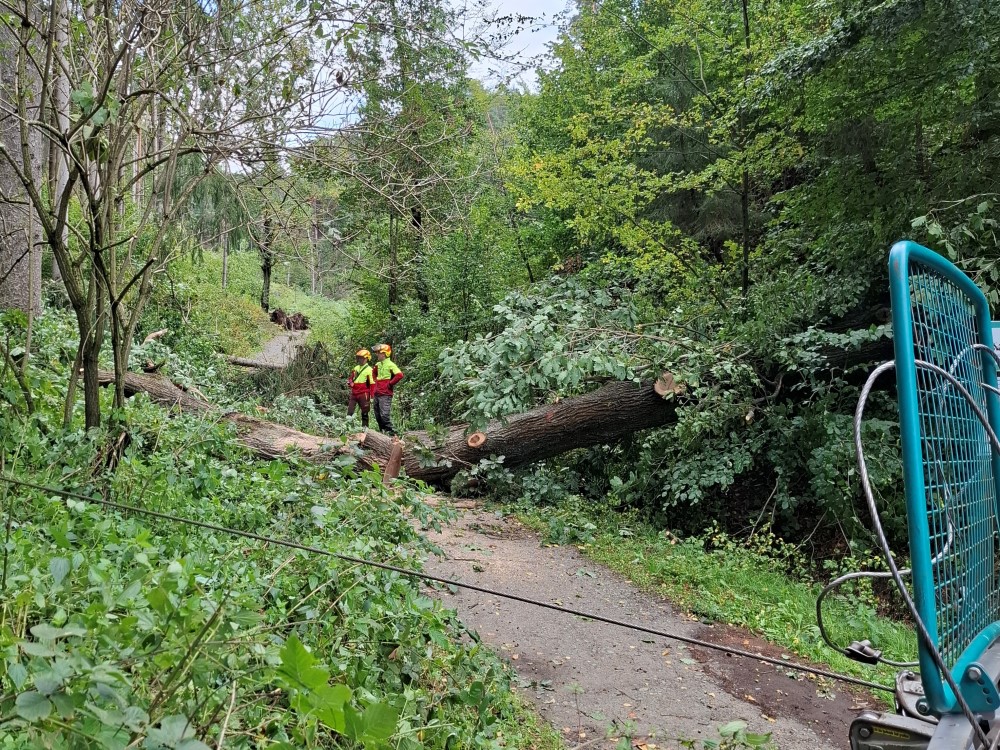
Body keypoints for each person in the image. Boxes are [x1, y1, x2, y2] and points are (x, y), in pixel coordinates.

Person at [372, 343, 403, 435]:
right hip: (377, 392)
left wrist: (390, 384)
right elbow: (373, 373)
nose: (377, 354)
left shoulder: (390, 365)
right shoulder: (378, 364)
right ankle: (382, 432)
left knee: (384, 415)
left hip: (385, 394)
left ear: (385, 354)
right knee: (377, 414)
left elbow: (399, 375)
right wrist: (375, 381)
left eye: (379, 353)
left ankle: (392, 433)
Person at [347, 349, 375, 428]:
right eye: (359, 358)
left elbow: (372, 384)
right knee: (350, 411)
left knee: (365, 413)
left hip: (364, 394)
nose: (361, 360)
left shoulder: (370, 370)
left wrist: (372, 397)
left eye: (363, 358)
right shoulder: (356, 368)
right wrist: (350, 383)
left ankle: (365, 430)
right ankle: (348, 428)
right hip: (354, 393)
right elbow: (351, 378)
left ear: (367, 359)